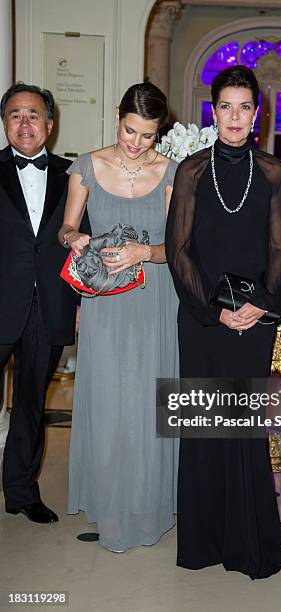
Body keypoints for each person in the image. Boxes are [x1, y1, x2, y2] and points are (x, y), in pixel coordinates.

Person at [165, 65, 281, 579]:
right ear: (213, 110)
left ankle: (247, 539)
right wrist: (215, 311)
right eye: (226, 106)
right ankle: (202, 541)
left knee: (241, 426)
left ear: (257, 115)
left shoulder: (273, 173)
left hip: (255, 317)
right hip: (201, 317)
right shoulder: (191, 170)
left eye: (245, 107)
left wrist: (260, 305)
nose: (235, 116)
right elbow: (178, 251)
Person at [58, 82, 178, 552]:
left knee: (147, 405)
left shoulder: (172, 173)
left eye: (147, 136)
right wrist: (76, 239)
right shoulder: (87, 166)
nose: (136, 143)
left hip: (154, 297)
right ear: (117, 116)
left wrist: (145, 250)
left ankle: (149, 507)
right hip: (104, 299)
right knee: (108, 406)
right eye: (130, 131)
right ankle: (109, 509)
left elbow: (180, 249)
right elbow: (67, 228)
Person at [0, 83, 85, 523]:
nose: (25, 123)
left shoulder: (75, 176)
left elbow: (82, 241)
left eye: (34, 114)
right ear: (5, 123)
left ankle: (22, 492)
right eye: (15, 115)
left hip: (47, 306)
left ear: (50, 124)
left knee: (31, 404)